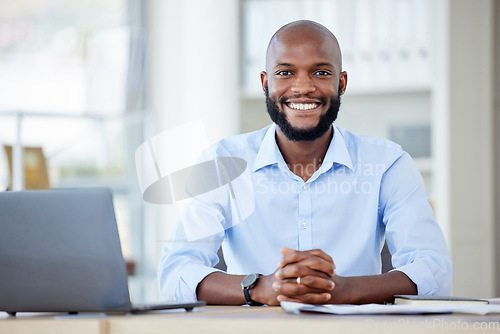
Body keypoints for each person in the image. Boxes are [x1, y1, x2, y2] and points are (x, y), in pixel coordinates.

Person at [158, 20, 452, 306]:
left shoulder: (388, 163)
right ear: (265, 83)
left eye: (321, 72)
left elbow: (434, 272)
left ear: (342, 82)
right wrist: (260, 287)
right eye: (285, 72)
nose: (302, 87)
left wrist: (345, 289)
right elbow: (175, 274)